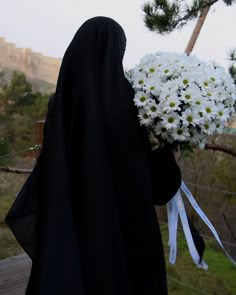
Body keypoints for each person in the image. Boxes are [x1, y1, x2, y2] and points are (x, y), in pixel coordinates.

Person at [5, 17, 182, 295]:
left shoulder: (61, 102)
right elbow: (149, 184)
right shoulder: (130, 105)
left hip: (71, 225)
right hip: (122, 236)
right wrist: (169, 149)